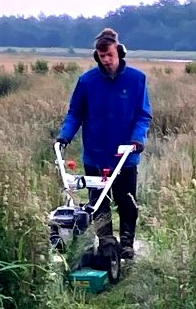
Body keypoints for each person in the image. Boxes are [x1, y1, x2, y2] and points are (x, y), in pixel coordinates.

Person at [55, 28, 152, 260]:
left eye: (109, 54)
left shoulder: (136, 79)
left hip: (125, 154)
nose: (106, 60)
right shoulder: (87, 82)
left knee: (127, 203)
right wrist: (63, 137)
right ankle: (107, 244)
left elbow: (143, 115)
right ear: (96, 55)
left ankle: (127, 244)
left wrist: (137, 140)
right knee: (98, 203)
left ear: (118, 51)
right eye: (101, 55)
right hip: (96, 154)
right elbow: (75, 114)